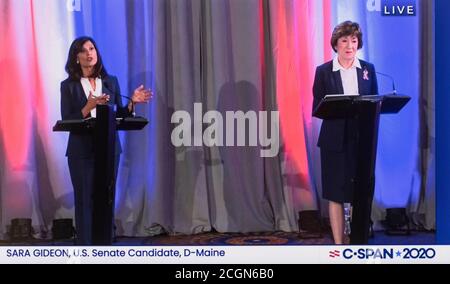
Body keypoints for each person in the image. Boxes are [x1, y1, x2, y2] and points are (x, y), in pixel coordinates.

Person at [60, 36, 152, 245]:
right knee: (85, 200)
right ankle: (85, 247)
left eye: (92, 48)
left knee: (106, 198)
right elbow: (67, 118)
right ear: (76, 58)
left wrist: (131, 105)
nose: (89, 53)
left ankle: (105, 245)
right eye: (83, 51)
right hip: (81, 150)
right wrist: (89, 106)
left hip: (109, 148)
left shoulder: (110, 82)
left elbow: (119, 113)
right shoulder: (68, 86)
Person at [312, 21, 378, 244]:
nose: (350, 45)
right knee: (335, 193)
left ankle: (358, 240)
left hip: (363, 140)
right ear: (336, 44)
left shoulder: (368, 69)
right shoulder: (323, 72)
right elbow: (317, 108)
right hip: (334, 140)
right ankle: (340, 245)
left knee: (360, 191)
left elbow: (375, 103)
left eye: (354, 40)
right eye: (344, 40)